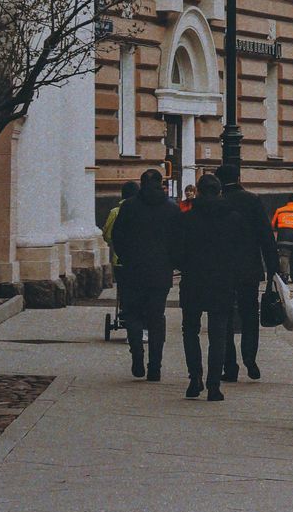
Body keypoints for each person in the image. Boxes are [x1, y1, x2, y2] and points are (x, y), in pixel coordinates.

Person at [175, 172, 242, 402]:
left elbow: (177, 253)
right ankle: (214, 386)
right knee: (219, 333)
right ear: (220, 191)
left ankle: (195, 378)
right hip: (222, 282)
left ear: (199, 192)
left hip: (193, 280)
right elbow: (239, 252)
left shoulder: (187, 219)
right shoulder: (233, 218)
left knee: (190, 330)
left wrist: (185, 265)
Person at [111, 169, 181, 382]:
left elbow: (117, 235)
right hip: (160, 271)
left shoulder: (130, 206)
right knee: (156, 317)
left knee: (133, 314)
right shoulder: (171, 208)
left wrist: (126, 257)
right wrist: (173, 262)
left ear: (141, 183)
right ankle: (155, 366)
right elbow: (179, 239)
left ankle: (137, 355)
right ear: (161, 184)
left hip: (133, 269)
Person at [216, 163, 280, 382]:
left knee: (224, 315)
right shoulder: (252, 200)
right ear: (239, 176)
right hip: (249, 268)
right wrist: (273, 267)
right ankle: (250, 358)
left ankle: (230, 366)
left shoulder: (218, 203)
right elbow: (266, 236)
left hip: (222, 270)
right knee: (250, 314)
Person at [102, 180, 139, 322]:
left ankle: (125, 311)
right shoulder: (141, 210)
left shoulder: (115, 212)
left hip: (119, 259)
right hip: (139, 260)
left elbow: (107, 234)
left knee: (124, 288)